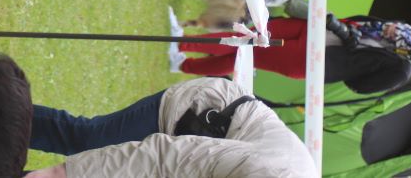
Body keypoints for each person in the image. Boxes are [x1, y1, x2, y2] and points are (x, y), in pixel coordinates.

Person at [24, 76, 317, 177]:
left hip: (209, 158)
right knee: (87, 142)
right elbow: (166, 157)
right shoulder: (270, 172)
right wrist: (65, 173)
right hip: (200, 110)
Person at [172, 15, 411, 94]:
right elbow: (365, 22)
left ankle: (182, 48)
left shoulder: (403, 70)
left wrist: (350, 57)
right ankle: (184, 62)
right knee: (251, 37)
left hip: (315, 59)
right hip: (323, 29)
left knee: (246, 46)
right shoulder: (408, 29)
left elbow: (360, 86)